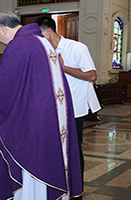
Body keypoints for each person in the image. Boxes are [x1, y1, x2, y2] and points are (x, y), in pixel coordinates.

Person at [0, 11, 82, 200]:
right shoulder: (40, 41)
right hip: (47, 114)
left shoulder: (19, 45)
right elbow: (20, 81)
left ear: (3, 29)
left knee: (33, 161)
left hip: (33, 119)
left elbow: (6, 87)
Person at [33, 15, 101, 192]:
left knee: (74, 148)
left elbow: (92, 75)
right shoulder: (46, 52)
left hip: (76, 107)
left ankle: (76, 187)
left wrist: (63, 68)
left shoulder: (76, 47)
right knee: (57, 147)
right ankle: (61, 183)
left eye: (39, 35)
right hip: (56, 108)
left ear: (47, 32)